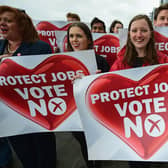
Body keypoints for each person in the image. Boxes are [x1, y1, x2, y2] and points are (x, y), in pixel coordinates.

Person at [0, 5, 56, 168]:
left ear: (21, 25)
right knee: (27, 160)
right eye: (0, 20)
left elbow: (51, 80)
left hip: (38, 116)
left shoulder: (41, 48)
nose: (2, 24)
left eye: (8, 20)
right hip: (10, 117)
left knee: (45, 161)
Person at [110, 14, 168, 168]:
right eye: (134, 30)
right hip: (131, 126)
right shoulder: (120, 62)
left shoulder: (163, 61)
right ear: (129, 34)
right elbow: (109, 91)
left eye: (143, 30)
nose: (139, 35)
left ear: (151, 33)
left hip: (156, 122)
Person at [67, 22, 110, 168]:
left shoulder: (101, 61)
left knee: (98, 149)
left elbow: (109, 91)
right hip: (75, 117)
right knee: (85, 148)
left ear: (89, 39)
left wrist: (98, 81)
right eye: (71, 36)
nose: (74, 40)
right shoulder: (63, 62)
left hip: (96, 115)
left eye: (79, 36)